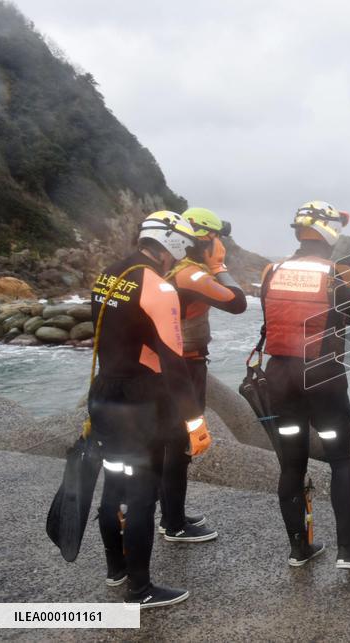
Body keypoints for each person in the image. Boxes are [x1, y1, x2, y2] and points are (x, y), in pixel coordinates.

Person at [88, 211, 210, 608]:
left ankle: (117, 570)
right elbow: (174, 362)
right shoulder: (158, 287)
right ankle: (140, 590)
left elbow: (115, 335)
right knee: (141, 494)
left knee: (114, 485)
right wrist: (194, 420)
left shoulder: (108, 274)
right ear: (170, 243)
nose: (179, 257)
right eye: (181, 248)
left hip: (105, 392)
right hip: (140, 403)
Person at [258, 201, 350, 570]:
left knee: (291, 465)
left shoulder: (272, 271)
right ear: (329, 232)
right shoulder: (336, 273)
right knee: (341, 460)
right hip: (323, 376)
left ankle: (299, 550)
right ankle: (347, 553)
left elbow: (271, 313)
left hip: (280, 378)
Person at [157, 207, 246, 542]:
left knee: (172, 441)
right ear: (205, 240)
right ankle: (174, 524)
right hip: (183, 366)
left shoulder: (176, 270)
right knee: (179, 443)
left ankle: (171, 514)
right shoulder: (190, 275)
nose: (220, 244)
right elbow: (236, 302)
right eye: (216, 238)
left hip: (173, 364)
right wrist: (220, 267)